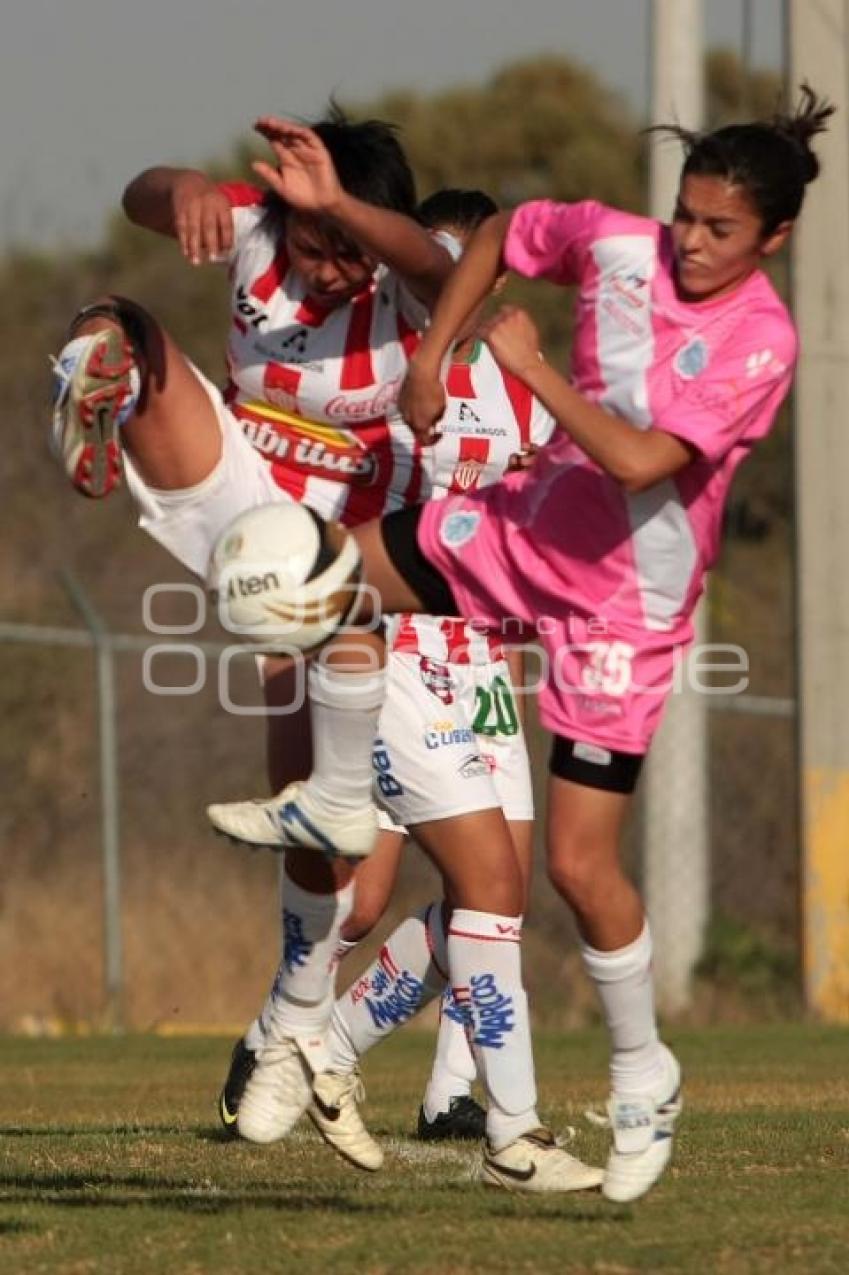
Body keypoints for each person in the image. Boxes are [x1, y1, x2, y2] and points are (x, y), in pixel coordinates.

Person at [209, 86, 833, 1202]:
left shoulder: (761, 342)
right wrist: (432, 354)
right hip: (493, 558)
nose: (688, 241)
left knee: (561, 876)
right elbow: (494, 236)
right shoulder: (592, 250)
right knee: (321, 593)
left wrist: (527, 365)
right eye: (683, 215)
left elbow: (643, 464)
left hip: (611, 614)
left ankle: (627, 1072)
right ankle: (334, 901)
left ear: (773, 238)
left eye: (719, 229)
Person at [52, 136, 603, 1192]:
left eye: (341, 247)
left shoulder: (411, 301)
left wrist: (349, 216)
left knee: (357, 846)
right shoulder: (263, 240)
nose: (322, 270)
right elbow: (147, 189)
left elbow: (459, 265)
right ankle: (93, 379)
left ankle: (300, 1027)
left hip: (377, 596)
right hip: (257, 520)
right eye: (307, 242)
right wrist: (191, 199)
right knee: (125, 320)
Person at [210, 188, 558, 1149]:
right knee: (360, 896)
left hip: (481, 658)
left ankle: (434, 1087)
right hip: (396, 643)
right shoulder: (397, 353)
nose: (462, 285)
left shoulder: (518, 373)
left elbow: (541, 499)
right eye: (442, 266)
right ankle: (284, 1031)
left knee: (496, 896)